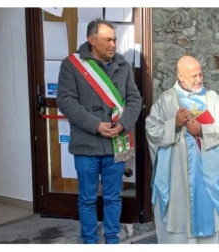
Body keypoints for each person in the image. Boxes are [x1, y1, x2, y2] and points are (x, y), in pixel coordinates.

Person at [57, 19, 142, 244]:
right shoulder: (72, 64)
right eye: (107, 40)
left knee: (114, 197)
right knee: (87, 199)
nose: (113, 44)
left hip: (117, 142)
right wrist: (95, 125)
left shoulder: (122, 65)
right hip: (86, 144)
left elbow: (134, 99)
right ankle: (89, 242)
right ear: (91, 40)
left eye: (114, 39)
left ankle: (112, 240)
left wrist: (123, 124)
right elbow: (66, 101)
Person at [145, 55, 219, 244]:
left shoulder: (212, 98)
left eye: (200, 74)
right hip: (178, 179)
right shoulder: (167, 100)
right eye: (194, 75)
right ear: (180, 77)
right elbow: (151, 130)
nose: (199, 79)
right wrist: (175, 124)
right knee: (179, 229)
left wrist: (203, 130)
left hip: (208, 177)